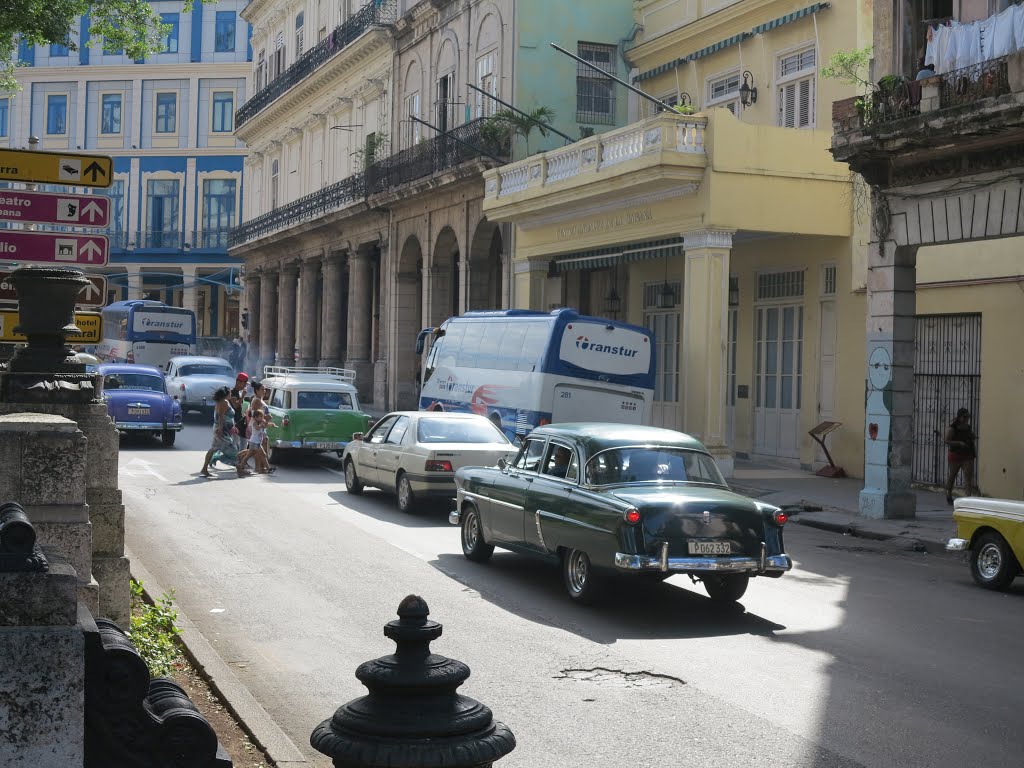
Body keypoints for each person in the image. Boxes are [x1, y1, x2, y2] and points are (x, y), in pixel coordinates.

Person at [200, 387, 251, 478]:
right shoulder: (224, 402)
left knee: (214, 448)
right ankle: (240, 470)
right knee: (233, 450)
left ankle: (204, 469)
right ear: (226, 394)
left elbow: (225, 416)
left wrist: (232, 427)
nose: (231, 394)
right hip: (222, 431)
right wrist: (220, 428)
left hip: (222, 429)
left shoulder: (221, 402)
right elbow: (221, 416)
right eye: (230, 393)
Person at [944, 407, 977, 505]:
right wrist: (959, 443)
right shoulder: (952, 428)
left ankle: (968, 497)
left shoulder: (968, 427)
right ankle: (948, 494)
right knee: (952, 475)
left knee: (968, 476)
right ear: (959, 417)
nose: (967, 419)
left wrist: (973, 437)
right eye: (964, 417)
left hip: (968, 454)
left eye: (968, 417)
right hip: (955, 455)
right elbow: (947, 441)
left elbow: (971, 436)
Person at [238, 409, 277, 474]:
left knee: (248, 455)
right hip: (255, 442)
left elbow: (265, 426)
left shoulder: (261, 422)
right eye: (260, 417)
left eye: (262, 416)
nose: (262, 418)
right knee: (263, 454)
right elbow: (257, 428)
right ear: (255, 417)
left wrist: (270, 424)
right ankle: (268, 469)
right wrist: (265, 421)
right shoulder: (254, 422)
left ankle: (241, 466)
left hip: (255, 442)